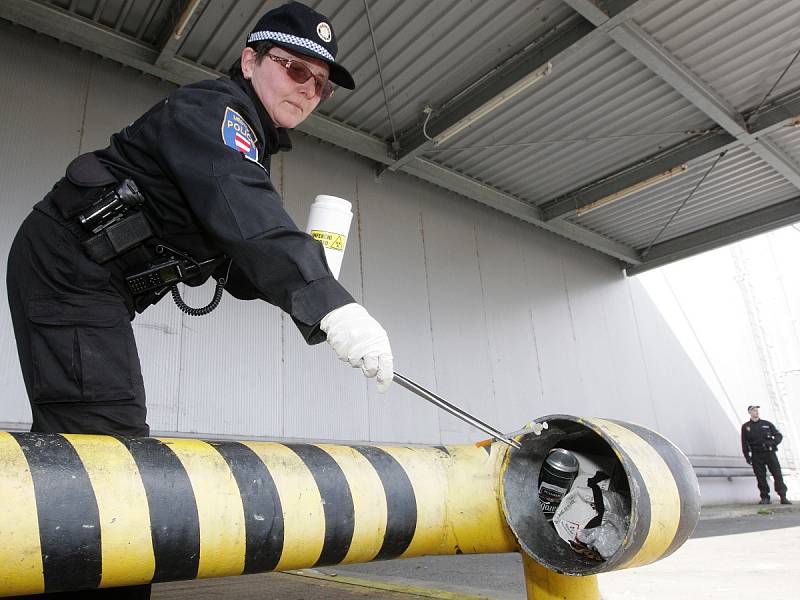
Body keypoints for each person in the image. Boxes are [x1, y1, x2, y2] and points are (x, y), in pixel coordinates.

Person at [5, 3, 391, 597]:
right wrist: (330, 300)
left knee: (79, 443)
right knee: (108, 452)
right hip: (67, 268)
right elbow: (243, 207)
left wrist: (309, 298)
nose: (308, 89)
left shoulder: (248, 148)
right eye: (294, 69)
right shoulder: (214, 112)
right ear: (250, 59)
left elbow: (237, 264)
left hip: (94, 282)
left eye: (320, 83)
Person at [741, 405, 791, 505]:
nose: (756, 412)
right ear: (749, 412)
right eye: (753, 410)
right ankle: (765, 497)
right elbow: (744, 442)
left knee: (777, 474)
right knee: (760, 476)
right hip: (756, 454)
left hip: (769, 453)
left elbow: (778, 435)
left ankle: (783, 496)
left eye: (757, 410)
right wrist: (747, 456)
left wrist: (772, 443)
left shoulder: (767, 424)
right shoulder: (746, 427)